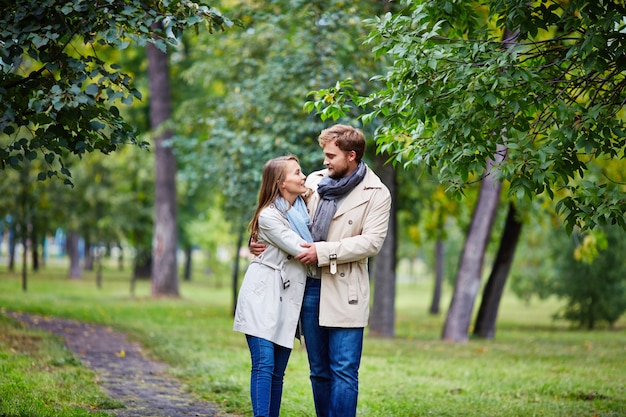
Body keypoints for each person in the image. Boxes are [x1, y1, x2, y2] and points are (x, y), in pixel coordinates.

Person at [251, 124, 392, 417]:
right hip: (310, 287)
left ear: (351, 156)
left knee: (343, 371)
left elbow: (372, 242)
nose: (324, 161)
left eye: (331, 155)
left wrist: (323, 252)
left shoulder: (377, 193)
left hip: (345, 289)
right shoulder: (314, 182)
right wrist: (256, 239)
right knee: (319, 371)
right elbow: (278, 214)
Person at [233, 155, 313, 417]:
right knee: (264, 365)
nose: (304, 177)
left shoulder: (303, 209)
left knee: (278, 373)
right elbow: (299, 247)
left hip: (286, 297)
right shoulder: (268, 216)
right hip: (262, 296)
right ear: (280, 183)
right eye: (297, 173)